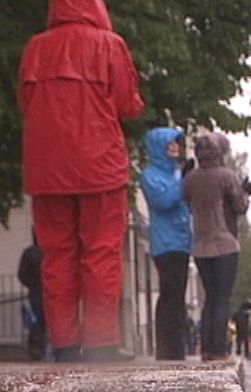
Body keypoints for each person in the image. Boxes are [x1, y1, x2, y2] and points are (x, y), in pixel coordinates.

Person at [18, 0, 145, 362]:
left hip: (47, 169)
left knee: (56, 257)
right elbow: (128, 104)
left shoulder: (35, 48)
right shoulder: (108, 44)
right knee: (100, 252)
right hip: (99, 164)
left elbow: (26, 103)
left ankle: (65, 345)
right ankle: (102, 343)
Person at [184, 133, 249, 361]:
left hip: (201, 246)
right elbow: (239, 206)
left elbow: (185, 200)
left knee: (209, 298)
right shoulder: (226, 176)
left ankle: (206, 348)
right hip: (224, 244)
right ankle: (219, 349)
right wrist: (246, 192)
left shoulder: (191, 179)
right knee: (222, 298)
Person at [139, 127, 192, 360]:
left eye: (177, 144)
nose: (175, 148)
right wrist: (183, 183)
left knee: (178, 297)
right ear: (160, 147)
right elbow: (164, 201)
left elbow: (185, 205)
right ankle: (167, 348)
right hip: (165, 242)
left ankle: (176, 348)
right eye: (171, 144)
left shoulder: (176, 174)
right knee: (169, 295)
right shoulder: (150, 175)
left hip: (181, 241)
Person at [18, 232, 46, 361]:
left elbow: (22, 275)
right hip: (53, 292)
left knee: (36, 322)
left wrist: (32, 284)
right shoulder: (52, 251)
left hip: (35, 293)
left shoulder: (29, 253)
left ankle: (37, 350)